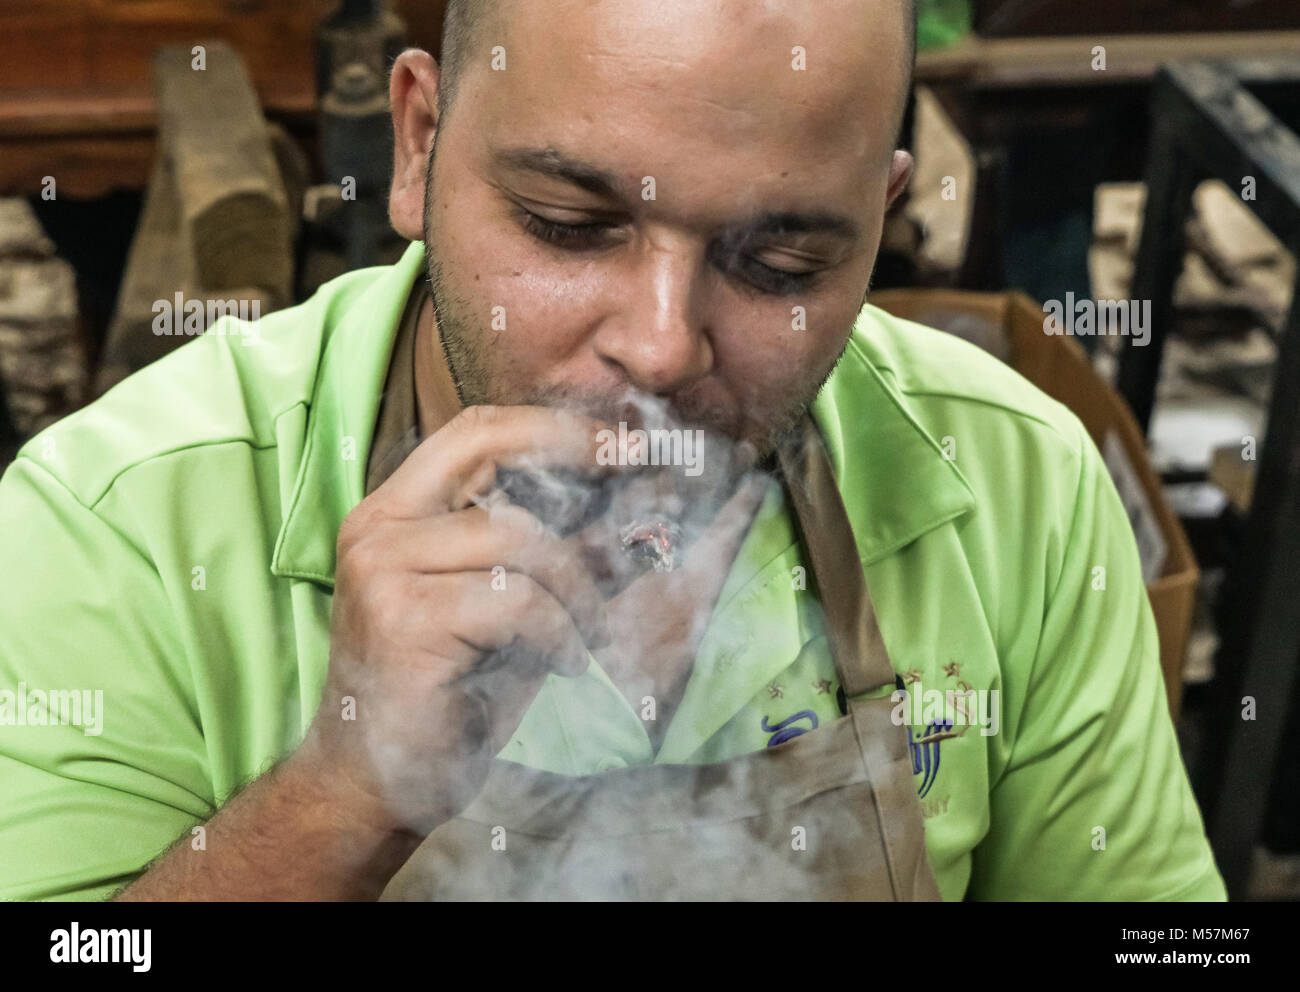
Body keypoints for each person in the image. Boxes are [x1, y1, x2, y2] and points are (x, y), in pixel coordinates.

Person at [0, 0, 1225, 901]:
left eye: (780, 263)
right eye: (569, 226)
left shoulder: (1013, 485)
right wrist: (337, 794)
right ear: (419, 145)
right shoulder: (119, 525)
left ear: (881, 216)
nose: (659, 347)